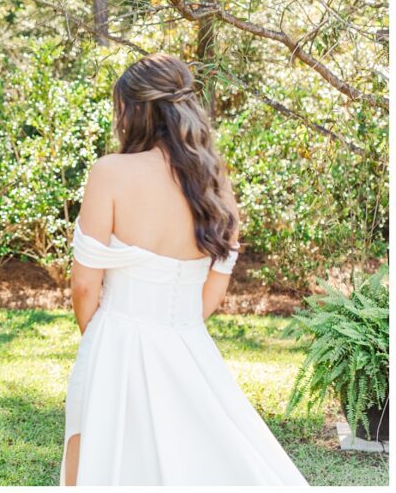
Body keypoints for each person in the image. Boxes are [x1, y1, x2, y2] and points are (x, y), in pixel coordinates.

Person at [61, 53, 308, 486]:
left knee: (104, 459)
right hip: (190, 345)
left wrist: (103, 338)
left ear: (135, 110)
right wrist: (173, 328)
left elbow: (85, 285)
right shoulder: (215, 183)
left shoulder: (111, 172)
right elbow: (209, 297)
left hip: (117, 338)